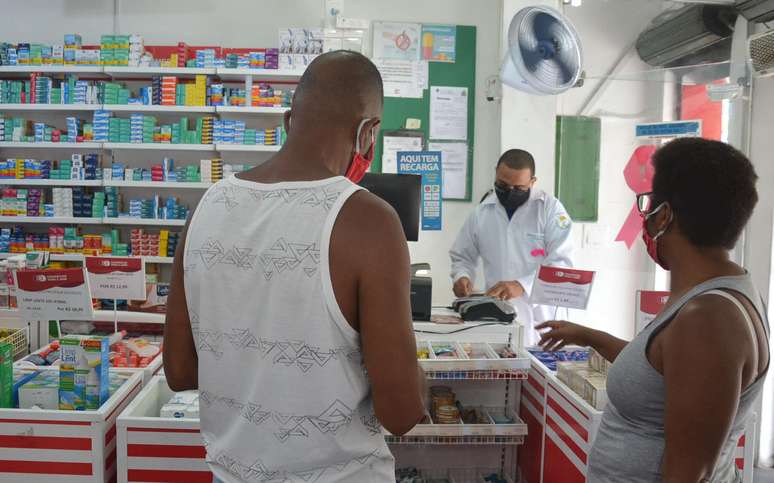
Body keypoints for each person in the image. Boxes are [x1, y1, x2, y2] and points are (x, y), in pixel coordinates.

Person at [163, 50, 425, 483]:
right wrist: (416, 374)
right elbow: (401, 412)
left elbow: (180, 372)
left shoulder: (206, 209)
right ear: (368, 133)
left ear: (289, 120)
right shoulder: (368, 220)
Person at [537, 138, 770, 482]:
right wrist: (590, 336)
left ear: (664, 215)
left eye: (649, 203)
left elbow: (689, 473)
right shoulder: (707, 296)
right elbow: (659, 371)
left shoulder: (707, 320)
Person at [449, 149, 573, 345]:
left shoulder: (550, 210)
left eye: (519, 187)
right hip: (495, 317)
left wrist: (522, 285)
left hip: (540, 319)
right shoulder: (482, 212)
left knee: (538, 373)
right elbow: (462, 256)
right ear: (496, 173)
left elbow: (562, 264)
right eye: (503, 185)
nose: (510, 192)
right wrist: (461, 276)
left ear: (532, 181)